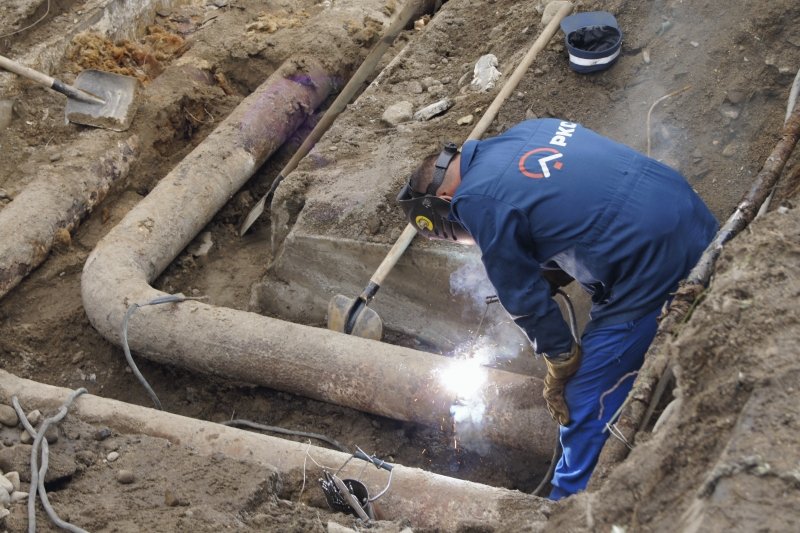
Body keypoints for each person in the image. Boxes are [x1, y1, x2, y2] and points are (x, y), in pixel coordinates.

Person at [397, 118, 718, 499]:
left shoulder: (475, 200)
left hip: (653, 263)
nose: (468, 233)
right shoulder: (526, 132)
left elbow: (524, 299)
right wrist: (548, 275)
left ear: (447, 202)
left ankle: (566, 506)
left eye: (457, 230)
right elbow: (559, 209)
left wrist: (561, 360)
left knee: (582, 396)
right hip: (692, 217)